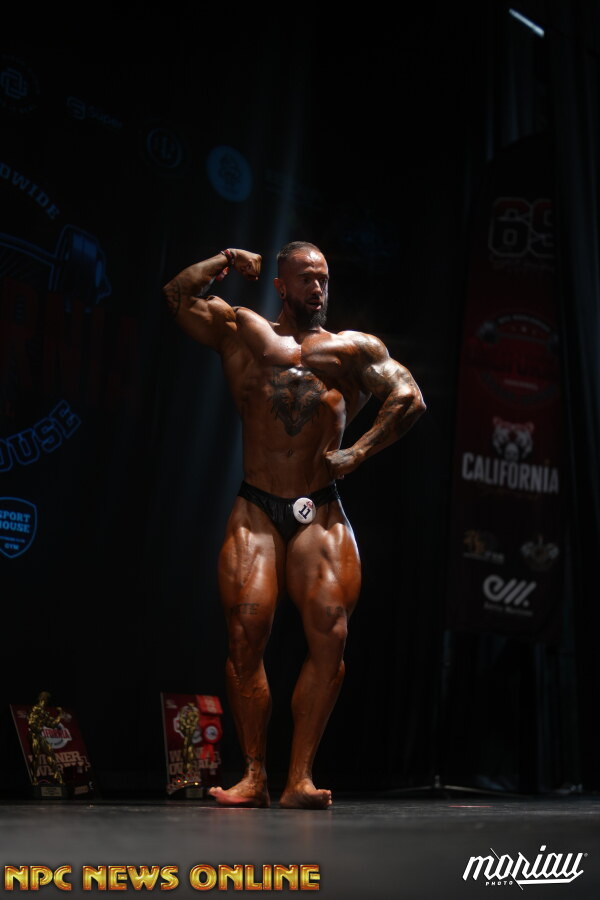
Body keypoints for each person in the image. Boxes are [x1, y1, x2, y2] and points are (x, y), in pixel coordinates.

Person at [162, 242, 425, 808]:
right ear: (281, 285)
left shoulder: (352, 350)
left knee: (332, 633)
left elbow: (409, 398)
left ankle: (299, 777)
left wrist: (359, 452)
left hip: (320, 508)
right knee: (245, 633)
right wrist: (224, 261)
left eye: (324, 278)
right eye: (306, 278)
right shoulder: (240, 333)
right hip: (256, 507)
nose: (318, 288)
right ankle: (254, 774)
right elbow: (178, 296)